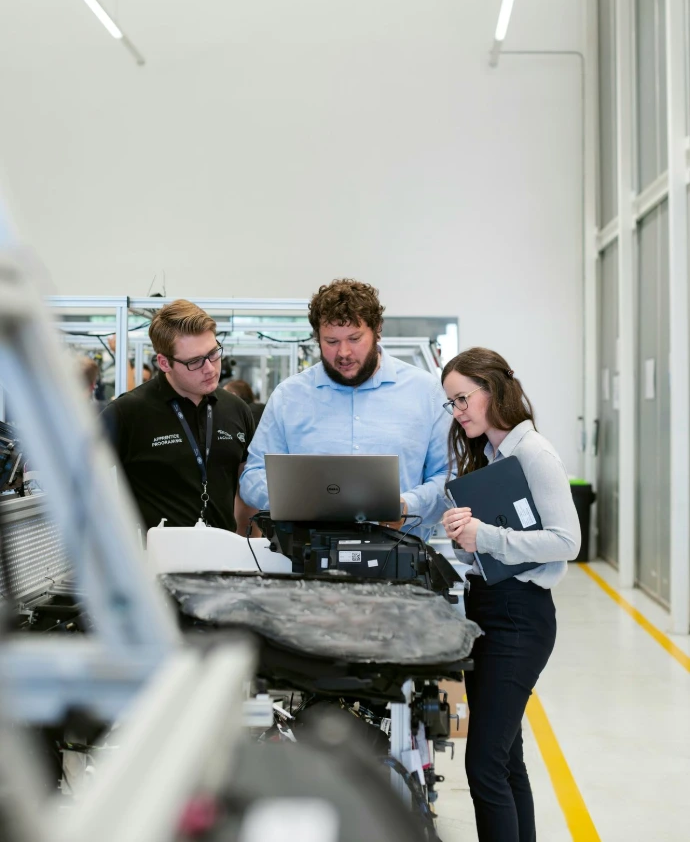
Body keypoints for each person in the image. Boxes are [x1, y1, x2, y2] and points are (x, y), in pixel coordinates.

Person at [441, 348, 580, 842]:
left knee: (483, 765)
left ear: (492, 389)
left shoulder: (533, 453)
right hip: (490, 610)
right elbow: (495, 547)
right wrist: (465, 541)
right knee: (506, 759)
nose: (457, 411)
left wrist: (488, 537)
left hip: (520, 620)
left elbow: (568, 542)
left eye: (462, 399)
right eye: (451, 404)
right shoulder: (493, 459)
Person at [239, 278, 449, 537]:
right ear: (317, 337)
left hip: (399, 560)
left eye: (354, 338)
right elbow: (253, 475)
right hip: (307, 562)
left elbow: (448, 476)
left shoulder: (425, 392)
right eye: (331, 341)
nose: (344, 352)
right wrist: (296, 502)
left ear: (377, 329)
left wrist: (407, 505)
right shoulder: (289, 396)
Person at [101, 299, 255, 532]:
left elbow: (246, 488)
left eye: (214, 353)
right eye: (194, 362)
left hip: (226, 558)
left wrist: (248, 547)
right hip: (156, 562)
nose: (210, 368)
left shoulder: (237, 410)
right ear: (164, 363)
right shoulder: (127, 413)